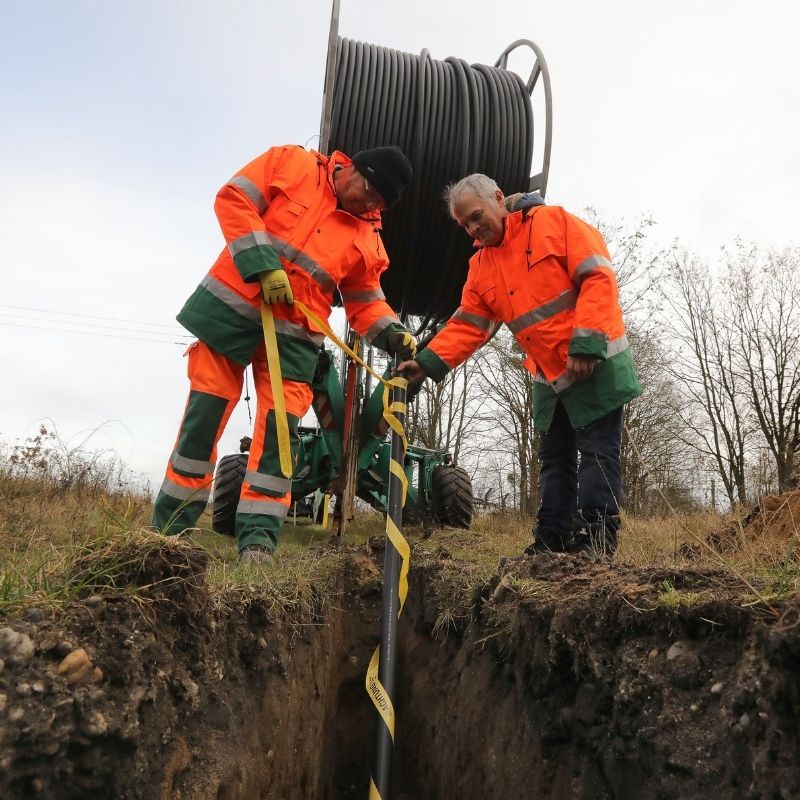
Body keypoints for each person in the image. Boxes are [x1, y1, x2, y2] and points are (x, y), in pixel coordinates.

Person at [152, 144, 417, 563]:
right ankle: (168, 535)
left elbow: (366, 302)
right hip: (231, 311)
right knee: (202, 422)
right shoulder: (291, 164)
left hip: (295, 337)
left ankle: (258, 541)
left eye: (380, 202)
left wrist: (396, 336)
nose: (369, 203)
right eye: (369, 190)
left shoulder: (369, 238)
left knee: (280, 439)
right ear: (352, 168)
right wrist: (262, 263)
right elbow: (234, 199)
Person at [398, 174, 642, 557]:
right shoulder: (481, 264)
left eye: (477, 216)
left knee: (597, 452)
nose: (474, 228)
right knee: (554, 458)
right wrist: (426, 364)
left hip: (596, 361)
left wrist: (586, 343)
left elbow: (597, 276)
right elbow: (468, 324)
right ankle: (552, 539)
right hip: (548, 376)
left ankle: (597, 542)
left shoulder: (554, 223)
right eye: (465, 225)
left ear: (498, 198)